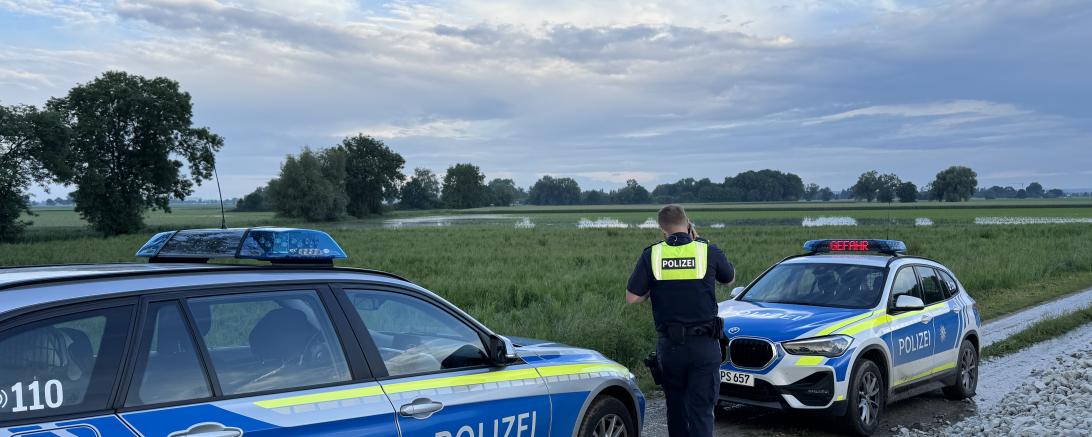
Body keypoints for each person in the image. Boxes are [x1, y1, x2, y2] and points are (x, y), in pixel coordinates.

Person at [626, 204, 735, 437]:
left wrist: (654, 287)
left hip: (671, 348)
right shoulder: (707, 251)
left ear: (662, 230)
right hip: (704, 346)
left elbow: (632, 298)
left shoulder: (652, 254)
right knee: (702, 412)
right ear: (688, 224)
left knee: (675, 410)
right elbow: (729, 279)